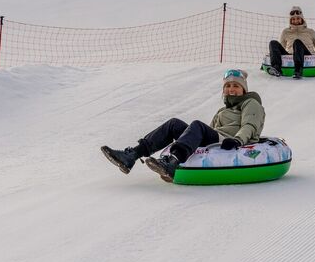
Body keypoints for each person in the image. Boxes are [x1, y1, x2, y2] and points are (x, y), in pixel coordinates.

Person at [100, 69, 266, 183]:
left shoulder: (251, 103)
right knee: (174, 124)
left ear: (244, 89)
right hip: (216, 141)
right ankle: (132, 156)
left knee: (197, 125)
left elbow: (250, 126)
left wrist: (237, 140)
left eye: (236, 86)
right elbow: (208, 131)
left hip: (229, 141)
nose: (231, 89)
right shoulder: (223, 110)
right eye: (227, 86)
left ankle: (173, 162)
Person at [266, 5, 315, 80]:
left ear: (302, 19)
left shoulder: (310, 31)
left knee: (297, 42)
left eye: (298, 18)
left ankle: (298, 70)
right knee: (273, 43)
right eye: (293, 19)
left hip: (307, 55)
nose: (296, 21)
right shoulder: (286, 32)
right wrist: (268, 59)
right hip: (290, 56)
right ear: (290, 20)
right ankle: (276, 68)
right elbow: (280, 49)